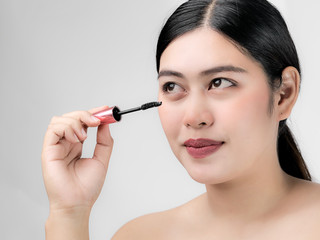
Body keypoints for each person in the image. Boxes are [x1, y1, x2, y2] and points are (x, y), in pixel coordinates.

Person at [41, 0, 320, 239]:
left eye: (220, 82)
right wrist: (69, 212)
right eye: (173, 87)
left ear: (284, 93)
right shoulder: (139, 236)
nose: (193, 117)